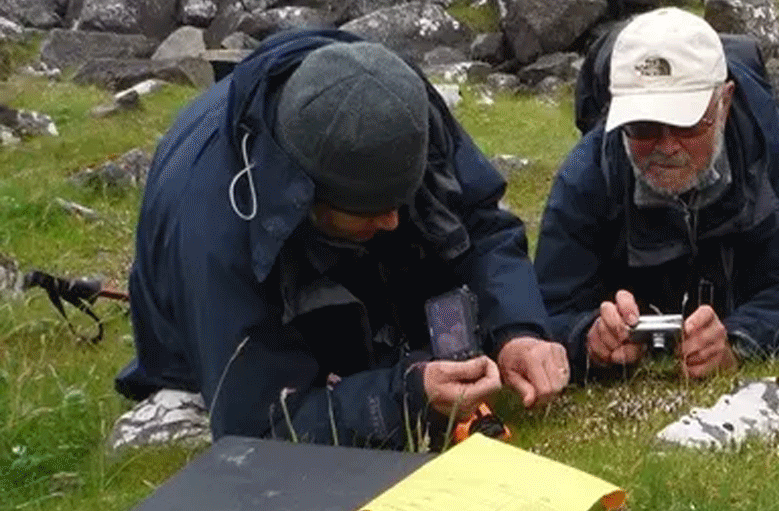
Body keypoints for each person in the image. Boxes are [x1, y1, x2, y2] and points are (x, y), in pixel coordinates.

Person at [115, 31, 569, 449]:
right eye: (372, 211)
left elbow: (480, 223)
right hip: (200, 341)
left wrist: (517, 330)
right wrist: (406, 398)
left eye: (401, 201)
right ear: (306, 198)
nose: (393, 221)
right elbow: (261, 427)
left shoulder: (399, 108)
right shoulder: (217, 234)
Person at [535, 6, 779, 395]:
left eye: (687, 123)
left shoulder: (776, 149)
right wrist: (588, 337)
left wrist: (738, 340)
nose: (667, 146)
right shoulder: (588, 172)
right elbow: (549, 307)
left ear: (724, 101)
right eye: (642, 127)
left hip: (744, 318)